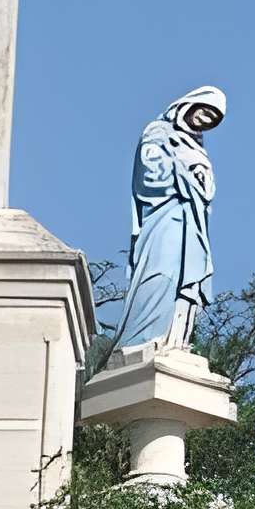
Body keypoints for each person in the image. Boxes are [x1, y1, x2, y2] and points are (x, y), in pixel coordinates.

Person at [90, 87, 225, 368]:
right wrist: (185, 176)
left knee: (186, 281)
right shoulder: (160, 132)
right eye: (205, 112)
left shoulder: (197, 149)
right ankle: (139, 340)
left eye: (212, 120)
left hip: (192, 223)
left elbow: (206, 191)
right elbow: (151, 175)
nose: (205, 120)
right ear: (189, 106)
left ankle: (175, 341)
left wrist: (201, 181)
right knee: (160, 273)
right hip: (165, 216)